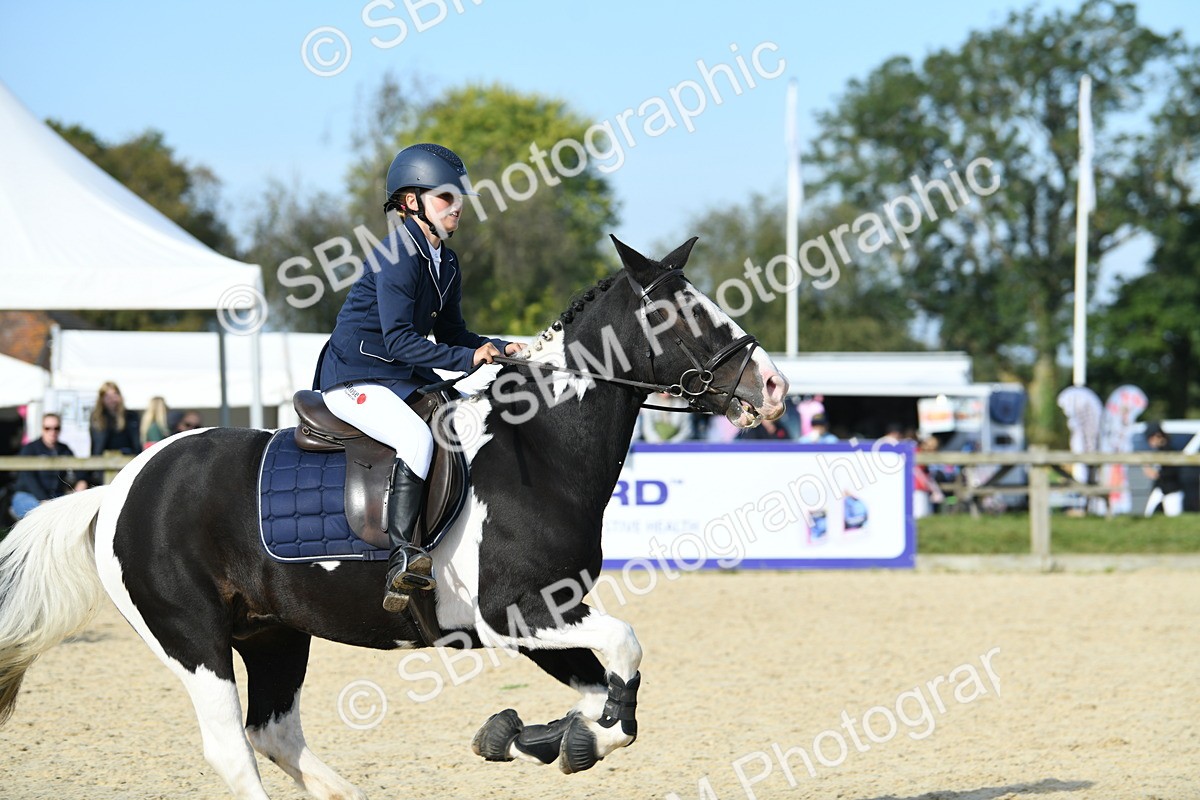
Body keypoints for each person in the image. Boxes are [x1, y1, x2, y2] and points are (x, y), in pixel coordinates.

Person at [314, 143, 525, 614]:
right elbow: (398, 341)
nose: (458, 206)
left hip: (396, 374)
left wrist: (499, 346)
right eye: (446, 197)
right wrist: (472, 357)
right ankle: (404, 554)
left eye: (459, 197)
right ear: (412, 202)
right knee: (415, 437)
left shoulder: (445, 262)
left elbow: (452, 333)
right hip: (356, 375)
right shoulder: (395, 255)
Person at [9, 413, 86, 520]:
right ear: (42, 429)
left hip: (55, 497)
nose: (52, 432)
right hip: (28, 495)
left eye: (56, 428)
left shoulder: (64, 449)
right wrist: (43, 500)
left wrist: (82, 481)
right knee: (42, 516)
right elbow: (28, 478)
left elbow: (80, 470)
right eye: (47, 428)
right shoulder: (30, 448)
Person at [1142, 422, 1184, 517]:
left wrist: (1156, 474)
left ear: (1158, 436)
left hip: (1171, 490)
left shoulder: (1170, 450)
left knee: (1173, 517)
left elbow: (1173, 471)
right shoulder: (1159, 451)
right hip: (1160, 489)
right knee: (1148, 514)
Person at [90, 381, 140, 456]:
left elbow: (136, 443)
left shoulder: (131, 416)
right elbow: (95, 446)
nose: (112, 399)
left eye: (114, 395)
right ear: (101, 399)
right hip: (104, 461)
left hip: (128, 459)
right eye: (107, 396)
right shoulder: (97, 418)